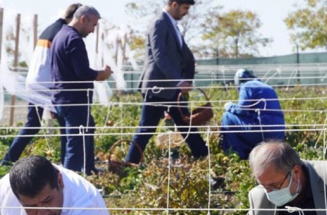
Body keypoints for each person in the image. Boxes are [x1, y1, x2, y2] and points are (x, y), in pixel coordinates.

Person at [125, 0, 208, 164]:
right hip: (158, 87)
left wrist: (186, 78)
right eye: (185, 8)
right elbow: (159, 56)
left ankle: (204, 157)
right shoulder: (159, 23)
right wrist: (178, 81)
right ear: (174, 4)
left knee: (185, 125)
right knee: (146, 128)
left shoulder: (171, 24)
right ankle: (129, 164)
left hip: (170, 88)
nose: (187, 12)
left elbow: (183, 55)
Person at [2, 3, 82, 166]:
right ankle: (67, 164)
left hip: (34, 80)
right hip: (48, 82)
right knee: (66, 122)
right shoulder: (64, 32)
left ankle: (8, 160)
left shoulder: (50, 29)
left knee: (32, 124)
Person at [50, 5, 113, 175]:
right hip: (75, 100)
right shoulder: (74, 39)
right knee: (75, 144)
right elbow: (83, 73)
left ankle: (88, 168)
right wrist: (102, 74)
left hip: (61, 98)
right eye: (93, 25)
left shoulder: (60, 36)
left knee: (80, 133)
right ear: (83, 19)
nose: (93, 30)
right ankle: (70, 183)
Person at [220, 69, 285, 160]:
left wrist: (229, 106)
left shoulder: (247, 86)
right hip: (279, 134)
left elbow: (241, 110)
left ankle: (237, 154)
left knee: (227, 116)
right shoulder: (268, 86)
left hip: (264, 132)